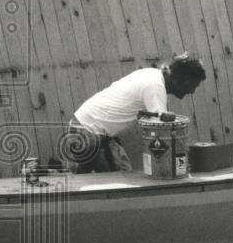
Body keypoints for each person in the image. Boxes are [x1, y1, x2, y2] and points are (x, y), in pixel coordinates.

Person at [67, 53, 207, 174]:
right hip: (87, 132)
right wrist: (181, 163)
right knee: (110, 183)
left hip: (89, 128)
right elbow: (161, 133)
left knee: (122, 172)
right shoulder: (154, 86)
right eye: (193, 85)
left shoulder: (151, 75)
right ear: (181, 79)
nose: (192, 91)